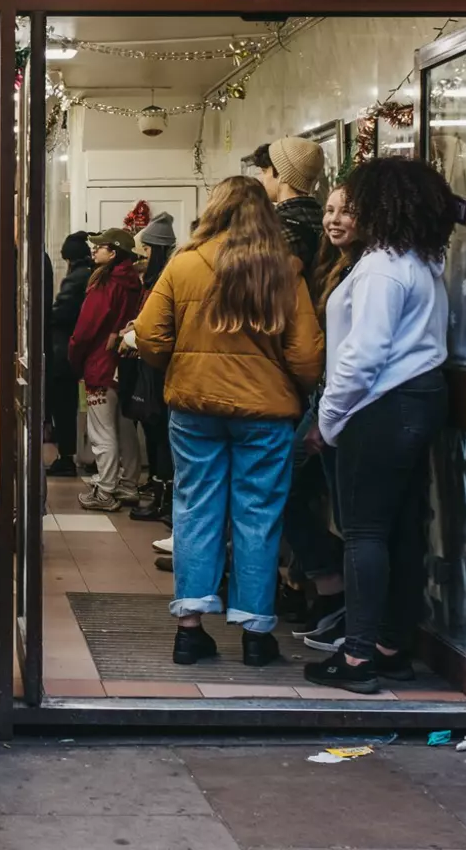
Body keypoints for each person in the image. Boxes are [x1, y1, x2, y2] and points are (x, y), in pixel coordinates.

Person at [133, 176, 324, 667]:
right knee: (257, 515)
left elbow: (150, 337)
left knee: (196, 509)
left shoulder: (185, 264)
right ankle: (257, 635)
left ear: (213, 209)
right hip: (265, 413)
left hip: (194, 409)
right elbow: (306, 357)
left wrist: (183, 365)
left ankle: (190, 631)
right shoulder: (284, 271)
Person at [304, 158, 457, 694]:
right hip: (421, 399)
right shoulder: (419, 261)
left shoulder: (380, 268)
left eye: (359, 204)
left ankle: (358, 658)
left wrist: (327, 419)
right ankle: (391, 647)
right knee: (403, 529)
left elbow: (362, 355)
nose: (349, 213)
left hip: (382, 405)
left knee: (364, 533)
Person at [286, 183, 362, 652]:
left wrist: (324, 416)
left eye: (346, 212)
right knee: (293, 491)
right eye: (330, 210)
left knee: (342, 511)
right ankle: (328, 586)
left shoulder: (368, 272)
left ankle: (337, 593)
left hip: (338, 404)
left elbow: (358, 354)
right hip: (324, 398)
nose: (333, 220)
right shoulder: (332, 265)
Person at [68, 229, 146, 512]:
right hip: (124, 363)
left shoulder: (105, 284)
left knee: (101, 431)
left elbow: (86, 328)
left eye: (100, 247)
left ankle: (106, 491)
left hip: (100, 363)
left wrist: (74, 355)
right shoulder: (134, 283)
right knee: (125, 427)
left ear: (113, 253)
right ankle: (128, 483)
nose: (94, 250)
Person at [123, 214, 178, 522]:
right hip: (152, 366)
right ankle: (160, 494)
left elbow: (160, 328)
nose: (139, 259)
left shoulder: (164, 282)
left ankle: (165, 499)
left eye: (144, 251)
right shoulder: (151, 282)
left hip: (160, 369)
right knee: (155, 433)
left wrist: (136, 334)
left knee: (161, 435)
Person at [44, 232, 92, 478]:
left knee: (63, 406)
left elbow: (61, 311)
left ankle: (66, 457)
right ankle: (82, 455)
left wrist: (42, 319)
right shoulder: (90, 274)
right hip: (77, 351)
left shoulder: (77, 278)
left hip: (64, 351)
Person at [253, 137, 327, 273]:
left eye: (265, 171)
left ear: (281, 174)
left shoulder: (271, 230)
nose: (262, 179)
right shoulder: (325, 221)